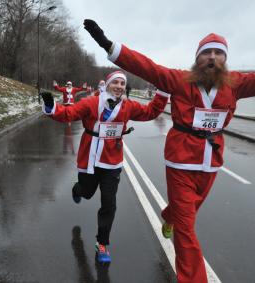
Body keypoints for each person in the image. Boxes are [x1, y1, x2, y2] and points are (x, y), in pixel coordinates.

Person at [84, 19, 255, 282]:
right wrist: (108, 44)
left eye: (218, 53)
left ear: (225, 59)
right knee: (186, 230)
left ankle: (168, 215)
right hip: (180, 161)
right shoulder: (179, 80)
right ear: (198, 57)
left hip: (211, 162)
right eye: (207, 52)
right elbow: (146, 67)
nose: (212, 57)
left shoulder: (236, 83)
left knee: (188, 212)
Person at [41, 71, 169, 264]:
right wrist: (51, 108)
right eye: (115, 82)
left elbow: (150, 112)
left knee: (109, 204)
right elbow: (69, 113)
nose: (118, 86)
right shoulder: (92, 102)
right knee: (87, 193)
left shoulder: (128, 106)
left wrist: (163, 94)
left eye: (122, 83)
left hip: (112, 161)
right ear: (108, 85)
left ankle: (102, 243)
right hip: (90, 158)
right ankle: (78, 188)